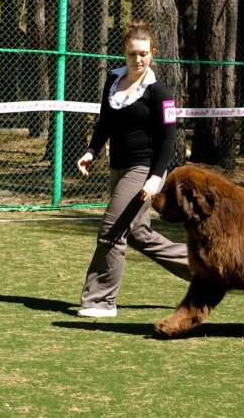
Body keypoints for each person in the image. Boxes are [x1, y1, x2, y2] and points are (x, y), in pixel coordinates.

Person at [76, 21, 191, 318]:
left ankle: (100, 302)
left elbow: (169, 138)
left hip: (145, 170)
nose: (137, 60)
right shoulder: (112, 82)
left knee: (111, 230)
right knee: (139, 234)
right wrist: (92, 150)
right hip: (118, 167)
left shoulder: (160, 92)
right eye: (131, 54)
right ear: (124, 54)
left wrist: (156, 177)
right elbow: (105, 123)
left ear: (153, 53)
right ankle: (205, 268)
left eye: (143, 54)